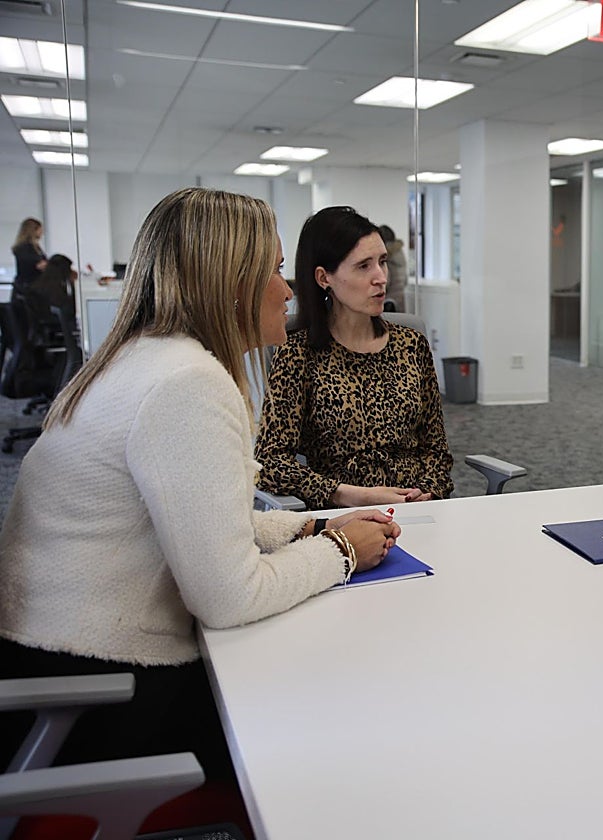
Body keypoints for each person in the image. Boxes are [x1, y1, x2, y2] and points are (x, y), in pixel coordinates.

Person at [0, 187, 400, 778]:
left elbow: (214, 518)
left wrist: (313, 525)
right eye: (274, 271)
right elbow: (230, 598)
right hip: (98, 695)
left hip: (54, 665)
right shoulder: (184, 384)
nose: (287, 291)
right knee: (332, 719)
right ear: (230, 280)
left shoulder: (143, 358)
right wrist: (339, 552)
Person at [256, 206, 453, 508]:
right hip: (346, 517)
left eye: (382, 262)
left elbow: (435, 449)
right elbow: (270, 462)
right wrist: (350, 494)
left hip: (417, 512)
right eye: (363, 266)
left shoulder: (411, 345)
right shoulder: (298, 354)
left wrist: (427, 491)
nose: (380, 278)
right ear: (325, 278)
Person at [378, 223, 408, 312]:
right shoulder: (400, 255)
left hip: (388, 301)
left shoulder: (387, 256)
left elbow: (386, 281)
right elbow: (405, 280)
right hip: (399, 300)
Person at [11, 217, 47, 292]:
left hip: (36, 287)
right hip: (27, 289)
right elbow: (37, 264)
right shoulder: (23, 248)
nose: (42, 232)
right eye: (40, 229)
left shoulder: (36, 248)